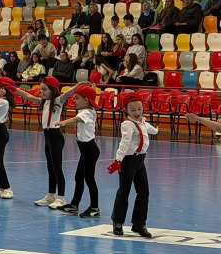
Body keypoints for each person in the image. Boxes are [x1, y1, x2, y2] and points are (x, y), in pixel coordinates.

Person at [109, 93, 157, 238]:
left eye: (139, 109)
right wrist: (118, 160)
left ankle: (139, 224)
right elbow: (125, 142)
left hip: (140, 160)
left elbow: (150, 129)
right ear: (126, 111)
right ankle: (117, 222)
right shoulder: (127, 125)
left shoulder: (143, 122)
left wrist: (156, 130)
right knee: (124, 191)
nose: (137, 113)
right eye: (133, 110)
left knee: (144, 192)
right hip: (128, 160)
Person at [16, 77, 67, 208]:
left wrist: (78, 85)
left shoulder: (57, 101)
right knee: (50, 167)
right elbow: (27, 95)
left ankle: (61, 197)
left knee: (57, 168)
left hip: (56, 136)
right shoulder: (43, 102)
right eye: (41, 89)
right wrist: (11, 87)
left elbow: (68, 93)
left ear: (53, 90)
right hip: (47, 136)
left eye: (45, 89)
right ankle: (51, 195)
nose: (42, 92)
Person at [56, 84, 100, 217]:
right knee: (79, 177)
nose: (74, 100)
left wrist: (64, 122)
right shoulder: (85, 110)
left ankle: (95, 208)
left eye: (77, 98)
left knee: (89, 179)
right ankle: (74, 205)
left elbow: (77, 119)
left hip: (89, 150)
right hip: (85, 150)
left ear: (86, 100)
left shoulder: (87, 113)